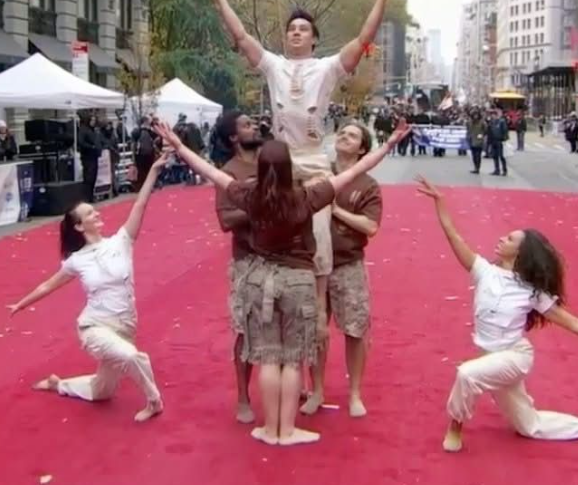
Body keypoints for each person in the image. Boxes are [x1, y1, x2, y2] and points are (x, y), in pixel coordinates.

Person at [155, 118, 408, 446]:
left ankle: (268, 427)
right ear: (291, 167)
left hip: (260, 280)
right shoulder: (307, 196)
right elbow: (350, 174)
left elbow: (209, 171)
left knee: (268, 358)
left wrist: (177, 145)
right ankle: (287, 429)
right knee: (292, 359)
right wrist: (388, 145)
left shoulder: (247, 194)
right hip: (298, 282)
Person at [204, 0, 396, 343]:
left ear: (313, 38)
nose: (295, 33)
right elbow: (241, 37)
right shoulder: (273, 66)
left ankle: (318, 311)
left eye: (303, 29)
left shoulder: (327, 69)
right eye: (291, 29)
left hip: (311, 161)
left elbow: (362, 39)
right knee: (269, 230)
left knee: (319, 249)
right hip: (277, 162)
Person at [415, 176, 578, 453]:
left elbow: (573, 323)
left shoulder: (532, 292)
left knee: (467, 374)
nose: (501, 239)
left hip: (514, 357)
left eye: (510, 238)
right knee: (529, 426)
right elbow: (453, 235)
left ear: (521, 253)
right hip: (492, 358)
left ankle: (455, 427)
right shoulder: (483, 270)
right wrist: (440, 202)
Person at [7, 150, 172, 423]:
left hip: (126, 324)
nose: (97, 214)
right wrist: (20, 304)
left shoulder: (121, 241)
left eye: (94, 210)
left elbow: (139, 205)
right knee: (132, 356)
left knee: (101, 391)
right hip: (95, 326)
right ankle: (154, 401)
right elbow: (49, 284)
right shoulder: (76, 261)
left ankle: (58, 384)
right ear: (79, 227)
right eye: (89, 214)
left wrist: (153, 170)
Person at [301, 123, 382, 419]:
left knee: (355, 330)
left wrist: (336, 210)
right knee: (315, 331)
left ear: (362, 148)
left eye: (352, 136)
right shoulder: (318, 173)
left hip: (349, 264)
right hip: (314, 265)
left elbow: (370, 226)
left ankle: (355, 392)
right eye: (342, 133)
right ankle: (317, 389)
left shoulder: (367, 185)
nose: (344, 138)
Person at [212, 111, 263, 424]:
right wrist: (257, 206)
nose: (254, 126)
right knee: (247, 332)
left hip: (280, 256)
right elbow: (225, 220)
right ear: (233, 137)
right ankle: (243, 397)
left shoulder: (270, 161)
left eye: (252, 123)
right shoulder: (228, 173)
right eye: (246, 125)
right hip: (247, 260)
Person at [487, 109, 509, 176]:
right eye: (491, 115)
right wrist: (489, 141)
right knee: (495, 156)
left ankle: (504, 170)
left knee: (501, 156)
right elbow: (489, 132)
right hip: (493, 140)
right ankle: (497, 170)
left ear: (496, 115)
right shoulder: (491, 122)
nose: (492, 116)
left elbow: (505, 131)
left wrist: (504, 139)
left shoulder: (501, 122)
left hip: (500, 140)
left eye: (493, 115)